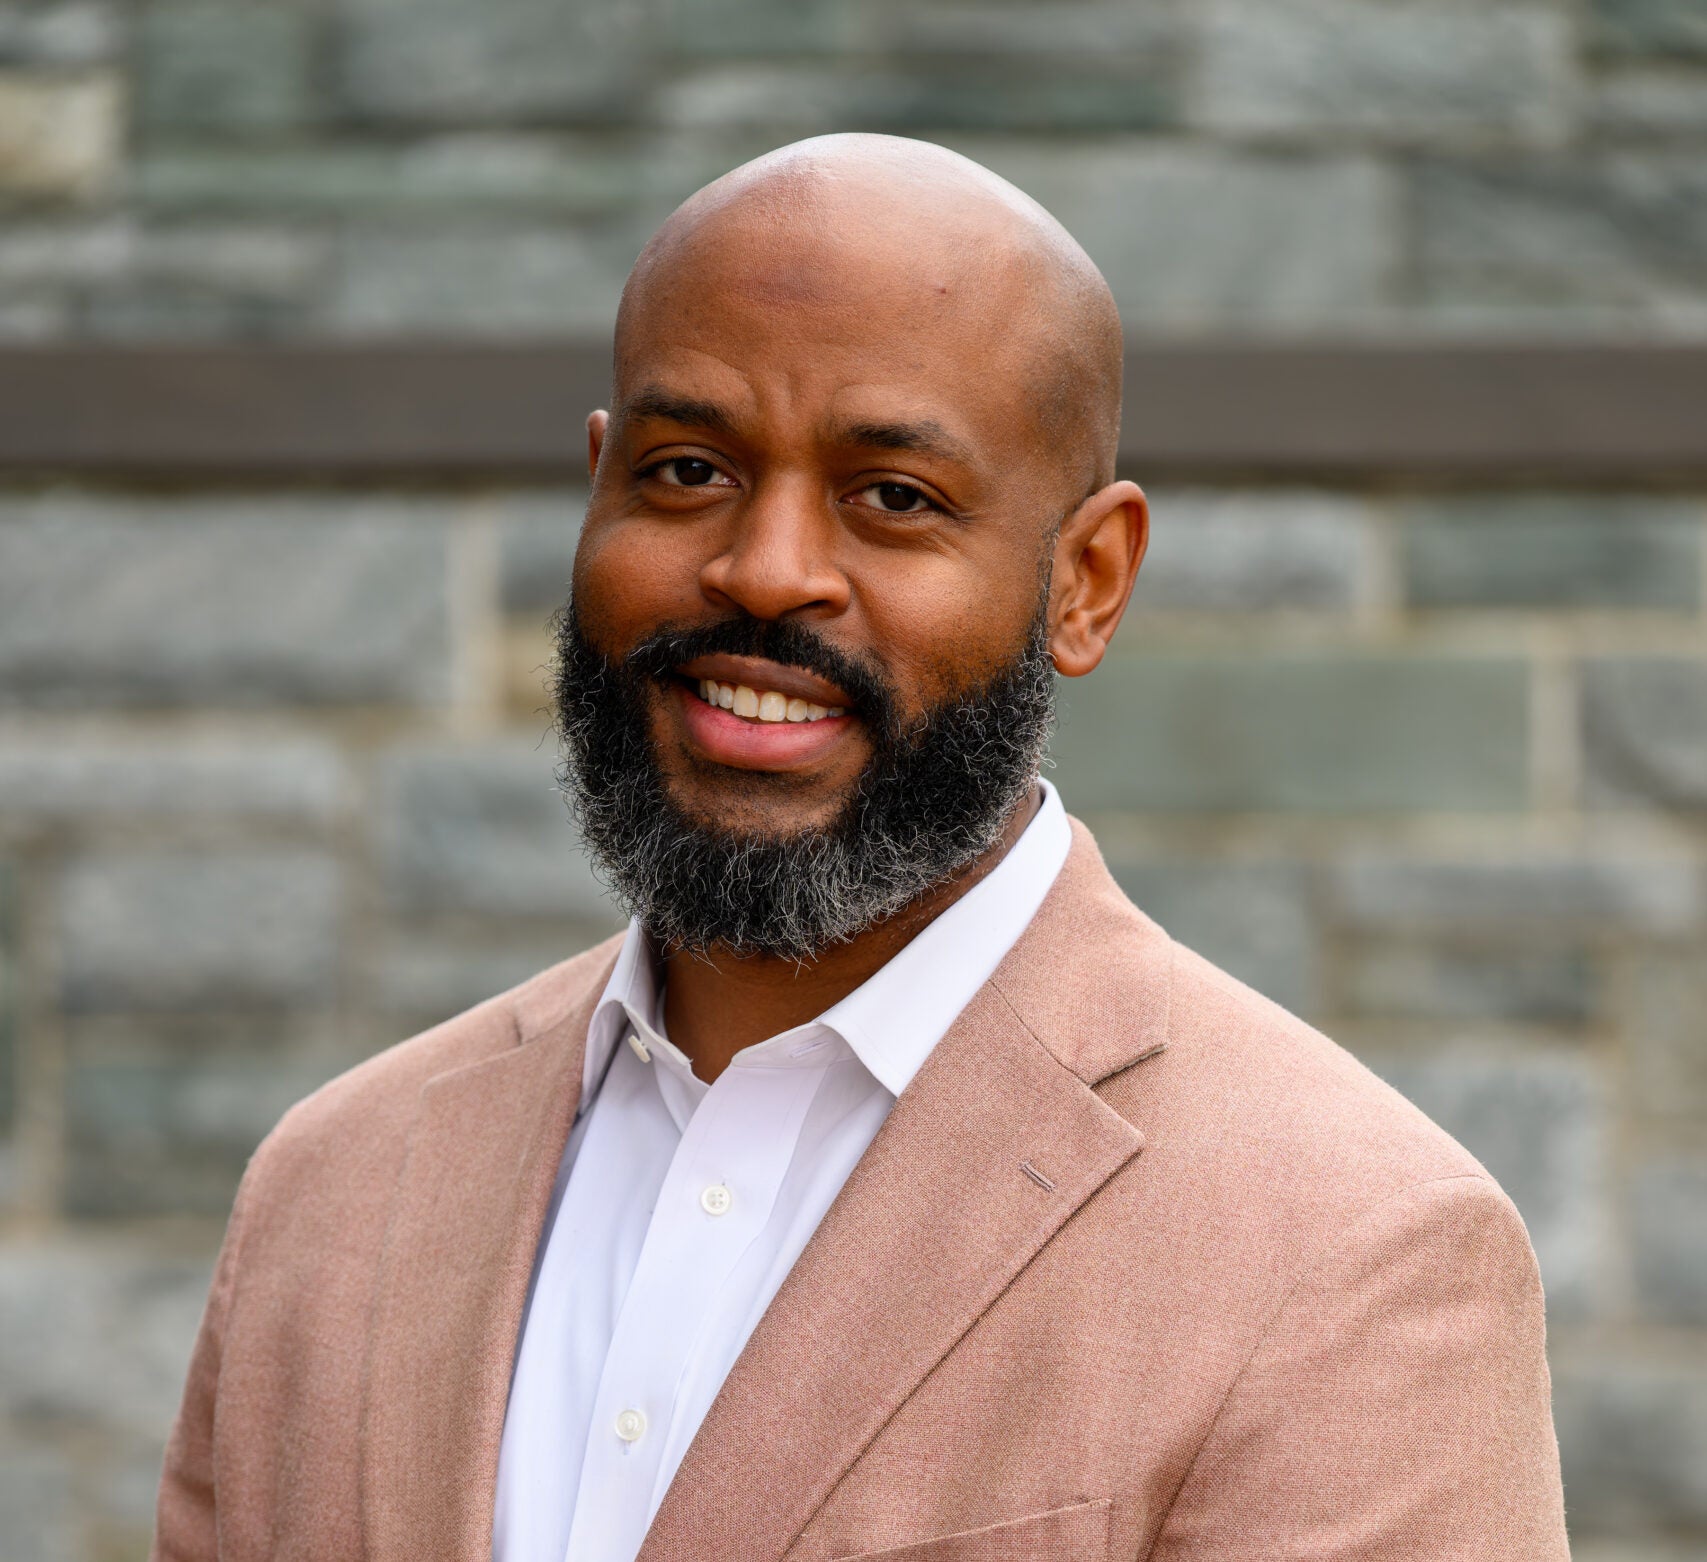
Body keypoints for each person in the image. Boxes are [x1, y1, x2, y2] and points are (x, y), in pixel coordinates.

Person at [152, 135, 1568, 1562]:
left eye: (894, 495)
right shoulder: (331, 1188)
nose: (766, 571)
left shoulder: (1354, 1251)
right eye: (687, 470)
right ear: (597, 488)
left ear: (1085, 582)